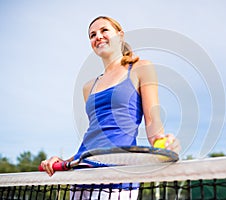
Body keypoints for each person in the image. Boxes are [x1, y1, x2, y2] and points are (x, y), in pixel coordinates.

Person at [40, 16, 180, 199]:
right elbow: (96, 134)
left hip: (119, 175)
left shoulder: (141, 68)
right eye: (92, 35)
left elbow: (152, 121)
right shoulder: (88, 87)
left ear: (120, 36)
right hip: (83, 173)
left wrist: (164, 142)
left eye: (104, 30)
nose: (98, 36)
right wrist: (65, 161)